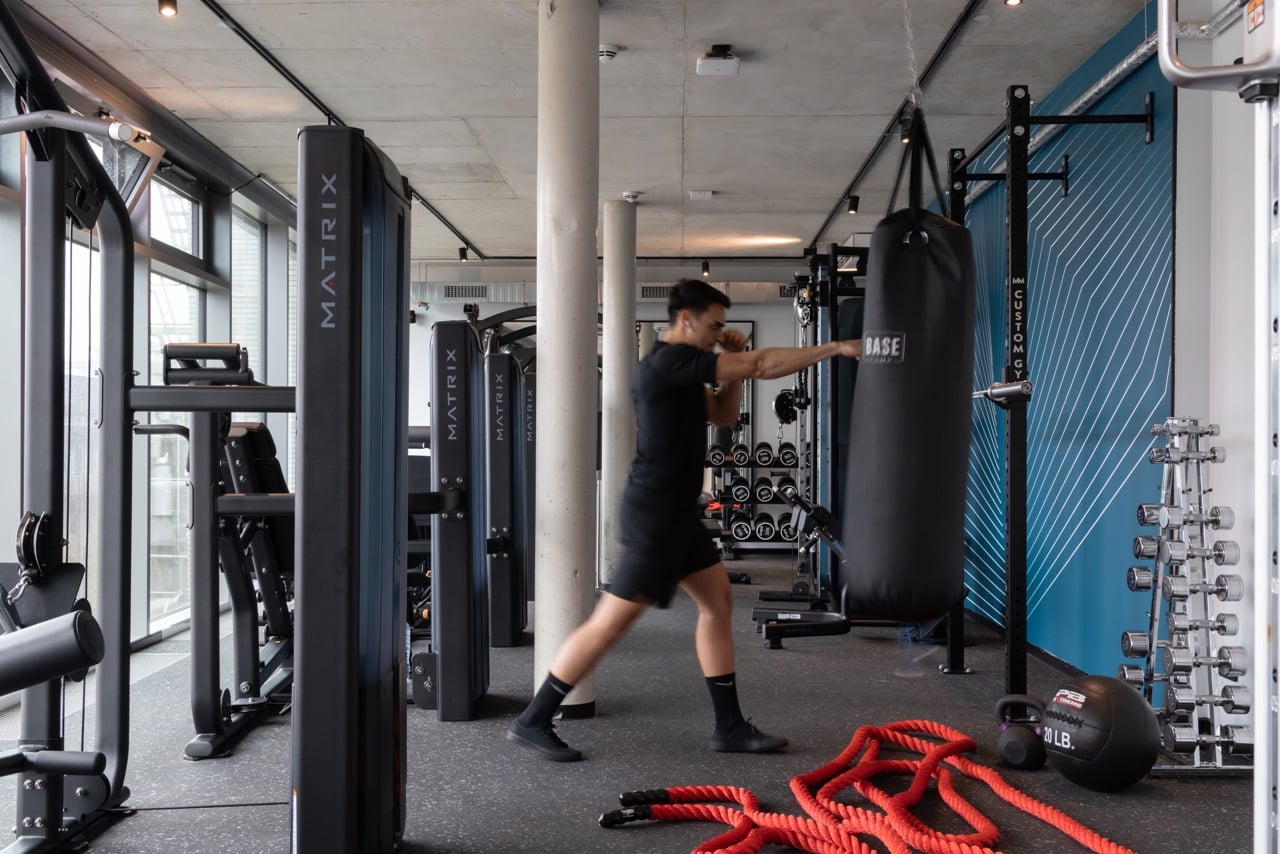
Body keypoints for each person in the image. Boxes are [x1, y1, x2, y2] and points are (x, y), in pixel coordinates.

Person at [506, 278, 862, 762]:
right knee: (610, 623)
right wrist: (837, 346)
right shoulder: (669, 363)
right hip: (657, 517)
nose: (719, 334)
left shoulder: (687, 370)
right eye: (714, 325)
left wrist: (730, 373)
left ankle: (730, 727)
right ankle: (533, 718)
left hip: (677, 512)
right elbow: (761, 365)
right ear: (686, 319)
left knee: (717, 603)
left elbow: (720, 414)